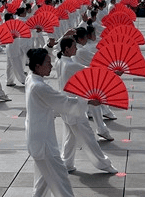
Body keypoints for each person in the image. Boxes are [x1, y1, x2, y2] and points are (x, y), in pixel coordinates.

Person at [25, 47, 96, 197]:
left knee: (42, 182)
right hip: (43, 142)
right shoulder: (39, 87)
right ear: (37, 66)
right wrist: (87, 102)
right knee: (60, 179)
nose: (51, 66)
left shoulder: (30, 78)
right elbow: (64, 102)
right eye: (47, 63)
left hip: (36, 138)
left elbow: (52, 104)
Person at [53, 37, 118, 174]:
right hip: (74, 106)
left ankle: (67, 163)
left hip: (66, 106)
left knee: (70, 137)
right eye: (73, 47)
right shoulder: (70, 65)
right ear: (66, 49)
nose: (76, 49)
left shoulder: (59, 61)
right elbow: (92, 71)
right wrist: (113, 72)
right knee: (88, 138)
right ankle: (104, 164)